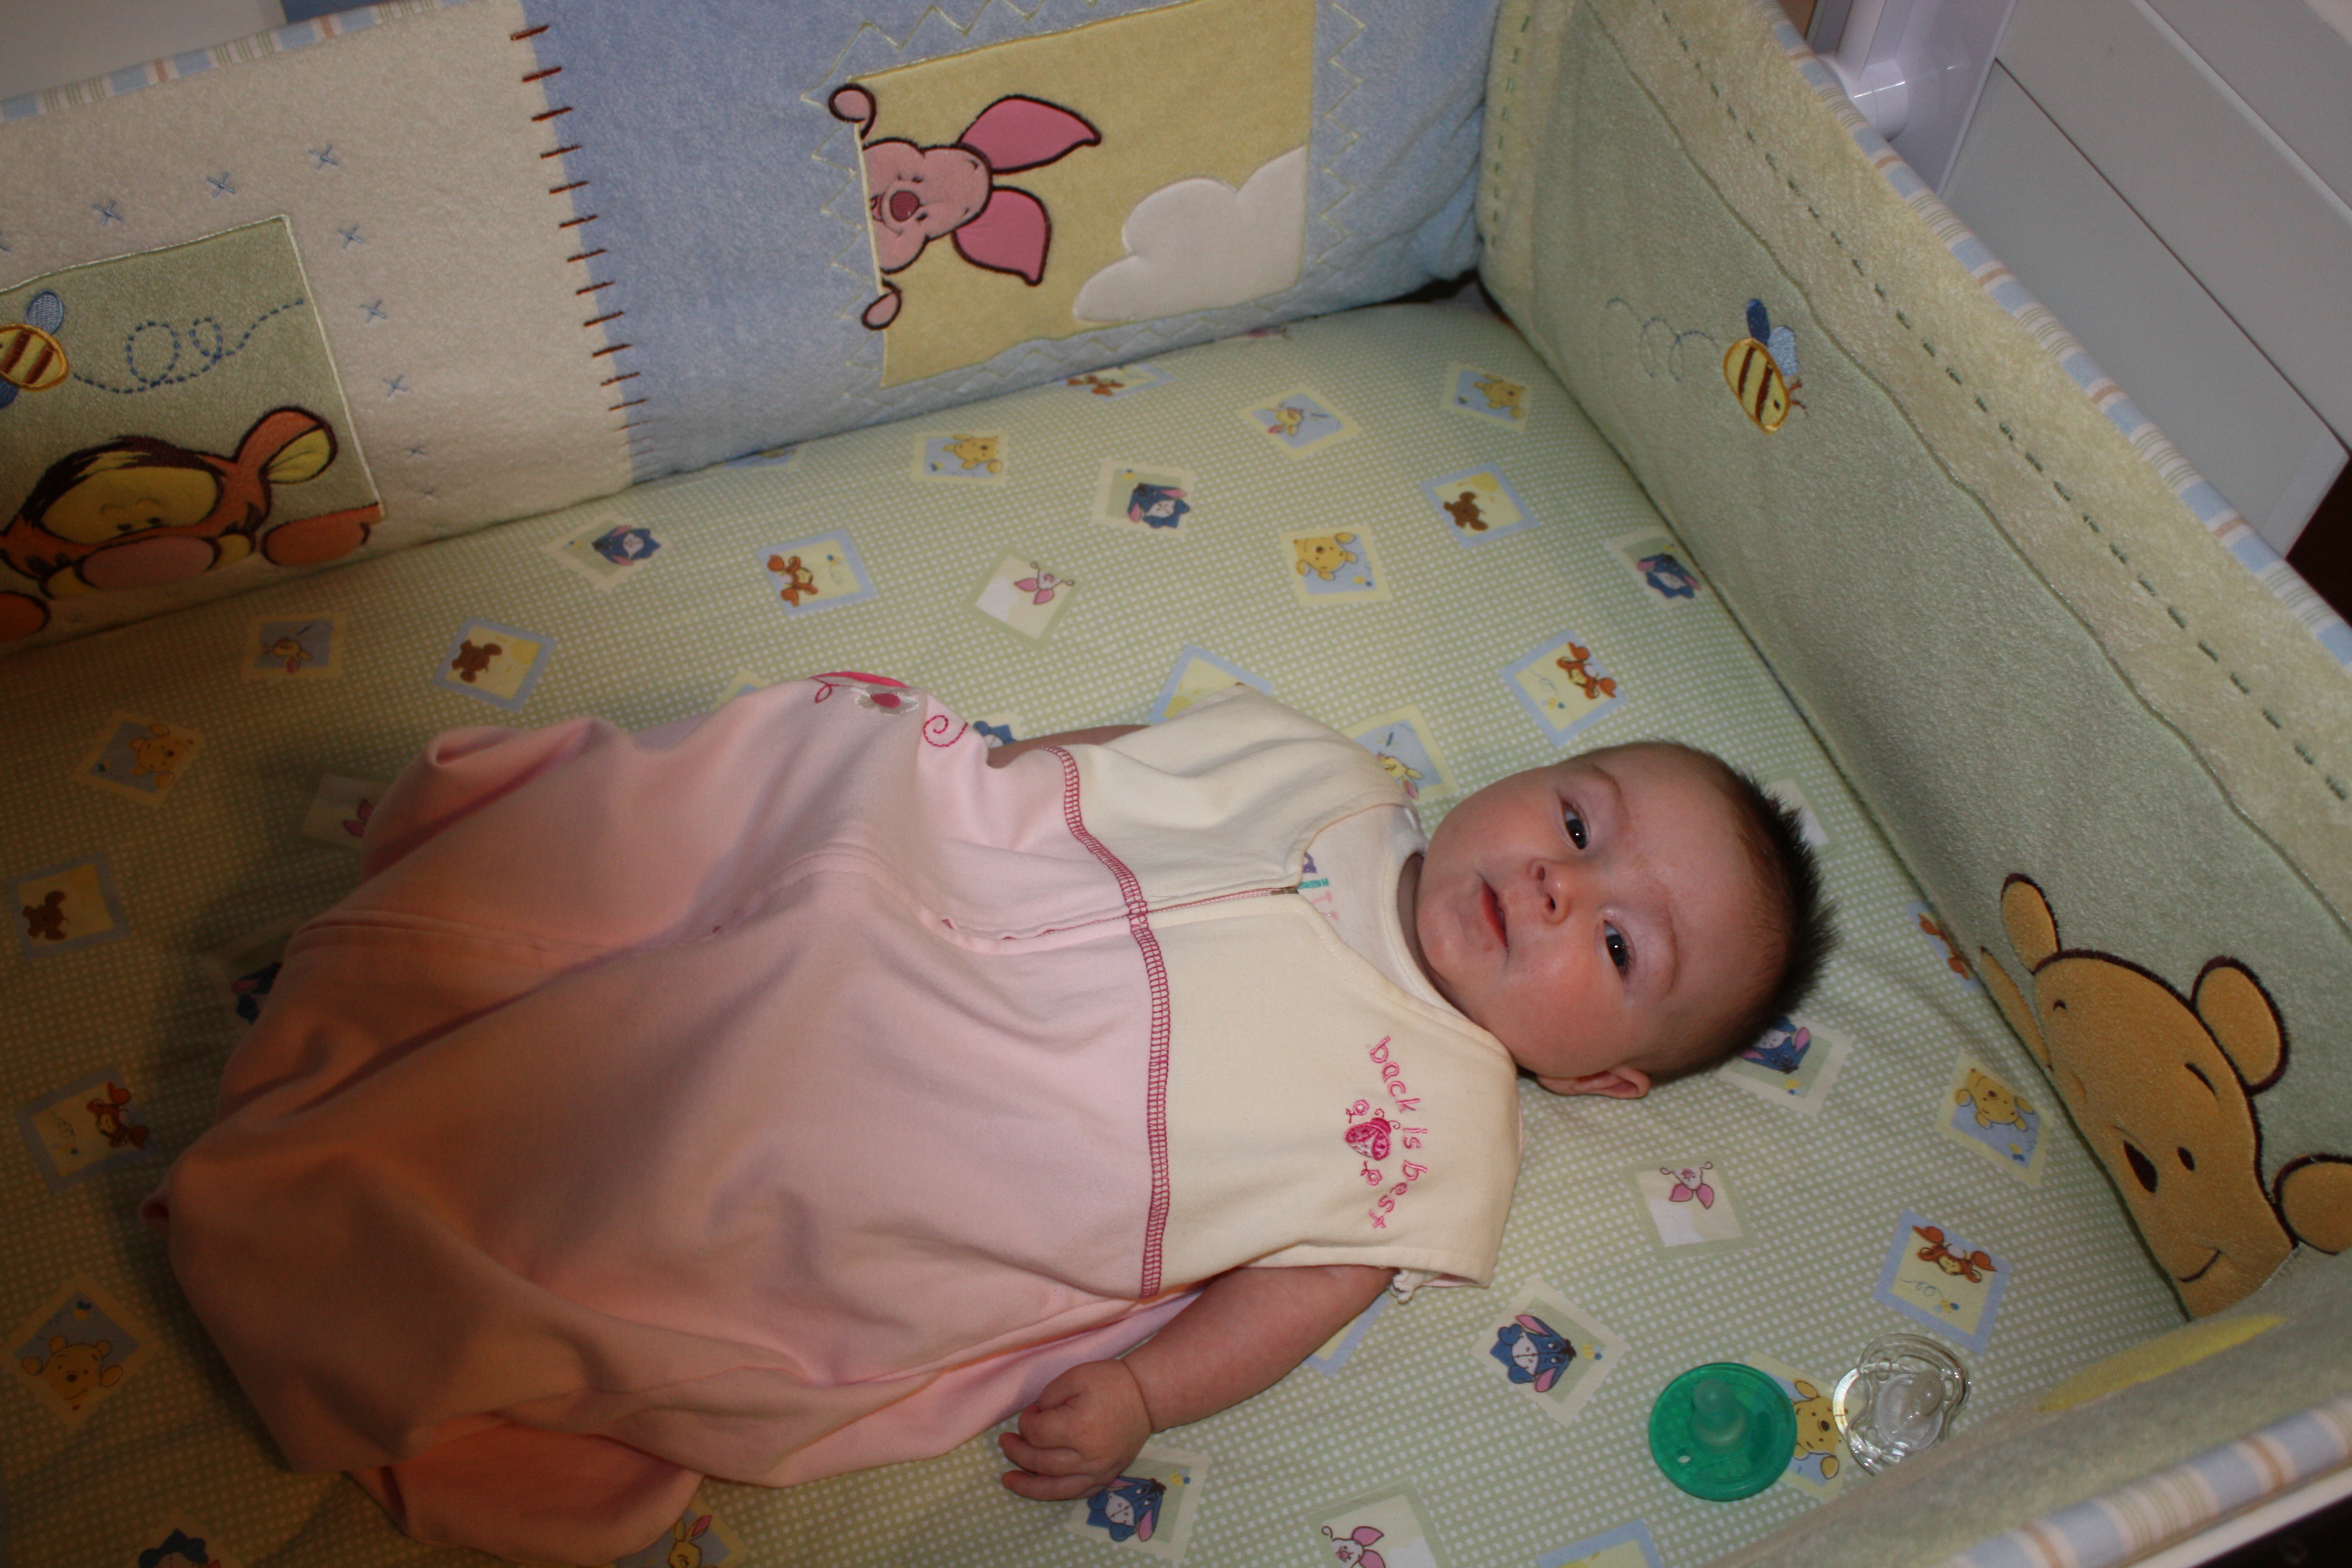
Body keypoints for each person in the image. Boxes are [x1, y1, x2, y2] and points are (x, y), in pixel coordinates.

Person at [143, 673, 1828, 1565]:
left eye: (1622, 947)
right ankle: (456, 992)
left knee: (717, 1146)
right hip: (909, 893)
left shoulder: (1452, 1135)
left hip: (972, 1118)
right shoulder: (1325, 771)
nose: (1562, 884)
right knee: (784, 822)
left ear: (1606, 1081)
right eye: (1581, 819)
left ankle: (385, 1239)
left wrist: (1149, 1389)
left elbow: (1301, 1290)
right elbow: (1098, 767)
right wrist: (970, 778)